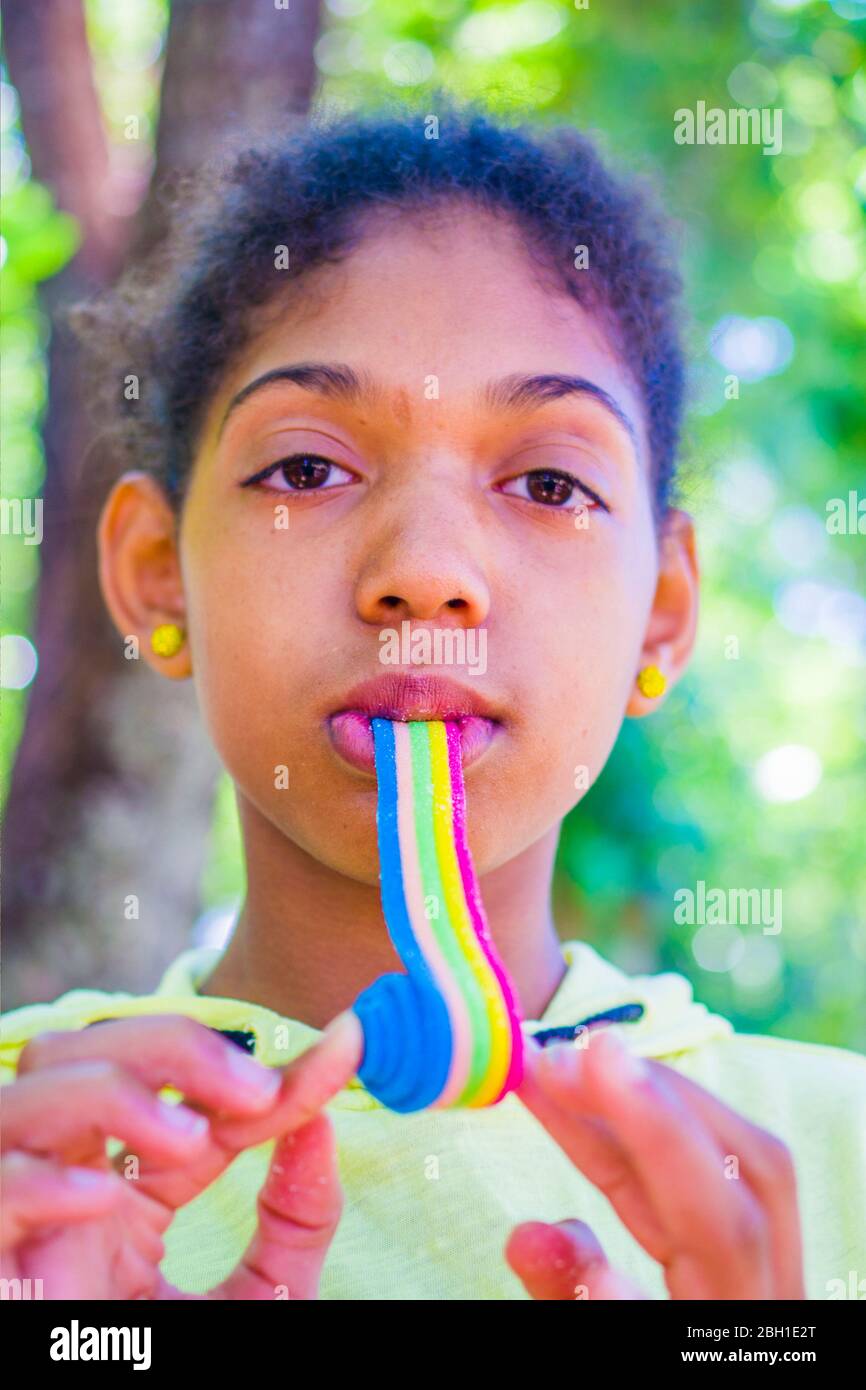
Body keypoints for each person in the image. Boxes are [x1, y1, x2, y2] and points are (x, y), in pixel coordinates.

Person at [2, 97, 864, 1302]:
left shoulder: (834, 1159)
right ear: (158, 575)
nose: (426, 572)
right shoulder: (31, 1163)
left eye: (549, 481)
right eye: (308, 468)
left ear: (660, 611)